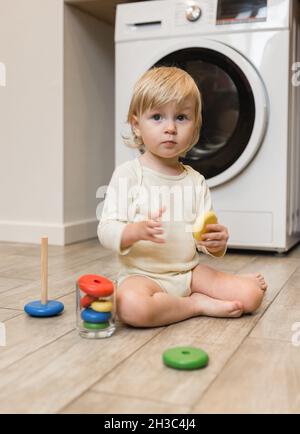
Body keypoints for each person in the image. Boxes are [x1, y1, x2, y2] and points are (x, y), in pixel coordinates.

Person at [98, 66, 267, 328]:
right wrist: (132, 231)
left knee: (252, 297)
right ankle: (196, 304)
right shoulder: (128, 175)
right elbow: (106, 229)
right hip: (143, 276)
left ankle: (202, 292)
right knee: (131, 306)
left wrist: (216, 243)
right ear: (136, 125)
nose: (170, 128)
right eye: (157, 117)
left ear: (195, 127)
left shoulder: (196, 181)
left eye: (181, 117)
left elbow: (203, 240)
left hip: (189, 273)